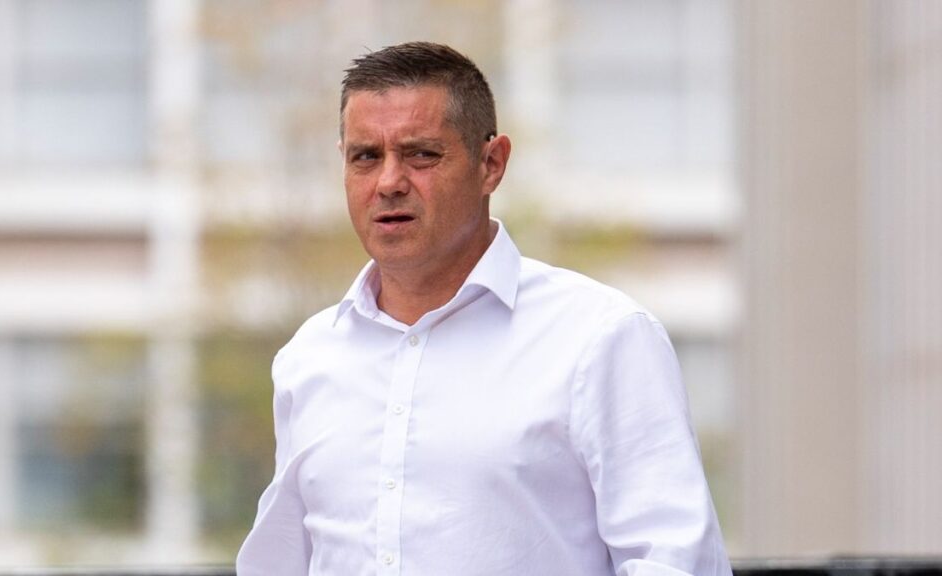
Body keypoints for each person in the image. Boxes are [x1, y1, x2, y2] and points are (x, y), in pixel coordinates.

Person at [237, 41, 731, 576]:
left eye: (421, 154)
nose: (389, 182)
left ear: (491, 164)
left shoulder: (600, 338)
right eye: (366, 157)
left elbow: (677, 562)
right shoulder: (309, 357)